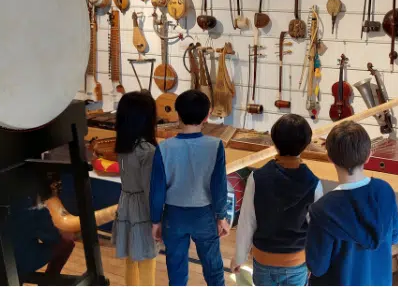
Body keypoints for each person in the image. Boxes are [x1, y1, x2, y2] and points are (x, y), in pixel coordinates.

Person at [306, 120, 398, 286]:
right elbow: (395, 237)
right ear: (368, 155)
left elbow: (317, 267)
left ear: (329, 158)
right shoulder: (385, 191)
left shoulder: (322, 210)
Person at [232, 114, 324, 286]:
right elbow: (316, 228)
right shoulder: (313, 183)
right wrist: (314, 260)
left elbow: (246, 221)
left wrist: (239, 257)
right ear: (306, 145)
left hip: (263, 260)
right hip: (296, 262)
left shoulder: (257, 178)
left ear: (273, 142)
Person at [150, 89, 228, 286]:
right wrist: (222, 216)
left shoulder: (164, 147)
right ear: (207, 116)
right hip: (204, 216)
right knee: (214, 270)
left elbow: (157, 190)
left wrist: (155, 221)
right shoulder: (216, 145)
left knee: (176, 272)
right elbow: (219, 186)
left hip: (173, 217)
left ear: (177, 113)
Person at [110, 91, 163, 286]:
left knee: (132, 258)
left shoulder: (124, 145)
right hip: (143, 208)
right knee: (148, 258)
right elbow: (150, 189)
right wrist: (158, 218)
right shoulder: (147, 150)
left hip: (126, 202)